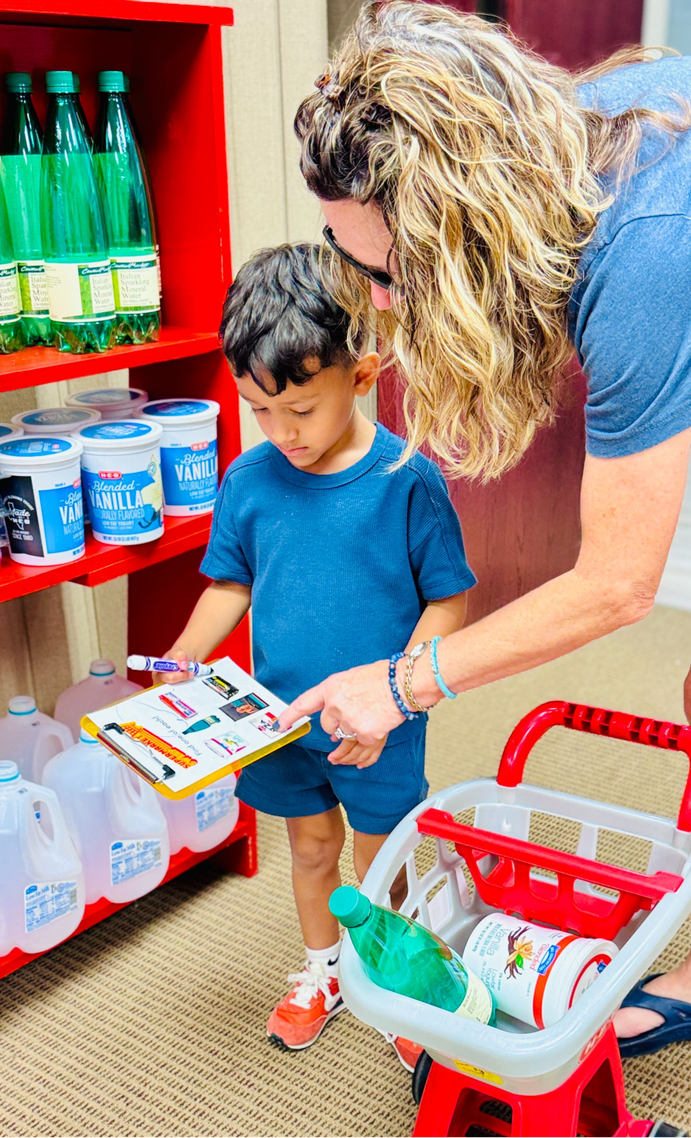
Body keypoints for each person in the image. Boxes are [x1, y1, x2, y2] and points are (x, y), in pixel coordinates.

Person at [280, 1, 691, 1057]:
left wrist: (401, 684)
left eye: (386, 273)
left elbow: (618, 585)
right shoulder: (548, 151)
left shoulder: (646, 240)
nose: (381, 305)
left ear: (452, 225)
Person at [159, 242, 475, 1065]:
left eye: (300, 411)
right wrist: (185, 658)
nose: (281, 432)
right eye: (261, 411)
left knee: (383, 862)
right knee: (308, 849)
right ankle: (323, 969)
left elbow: (450, 600)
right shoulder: (249, 479)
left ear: (363, 376)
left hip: (379, 724)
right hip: (277, 720)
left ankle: (404, 978)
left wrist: (404, 696)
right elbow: (230, 584)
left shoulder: (408, 480)